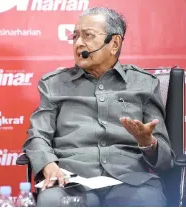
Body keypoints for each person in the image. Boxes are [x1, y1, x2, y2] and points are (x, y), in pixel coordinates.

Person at [23, 7, 174, 207]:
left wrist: (148, 142)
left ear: (114, 43)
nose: (78, 43)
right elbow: (37, 136)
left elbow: (166, 159)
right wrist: (48, 165)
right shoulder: (54, 84)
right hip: (70, 181)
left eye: (88, 36)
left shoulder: (144, 84)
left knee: (146, 201)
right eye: (75, 36)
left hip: (130, 182)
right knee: (54, 201)